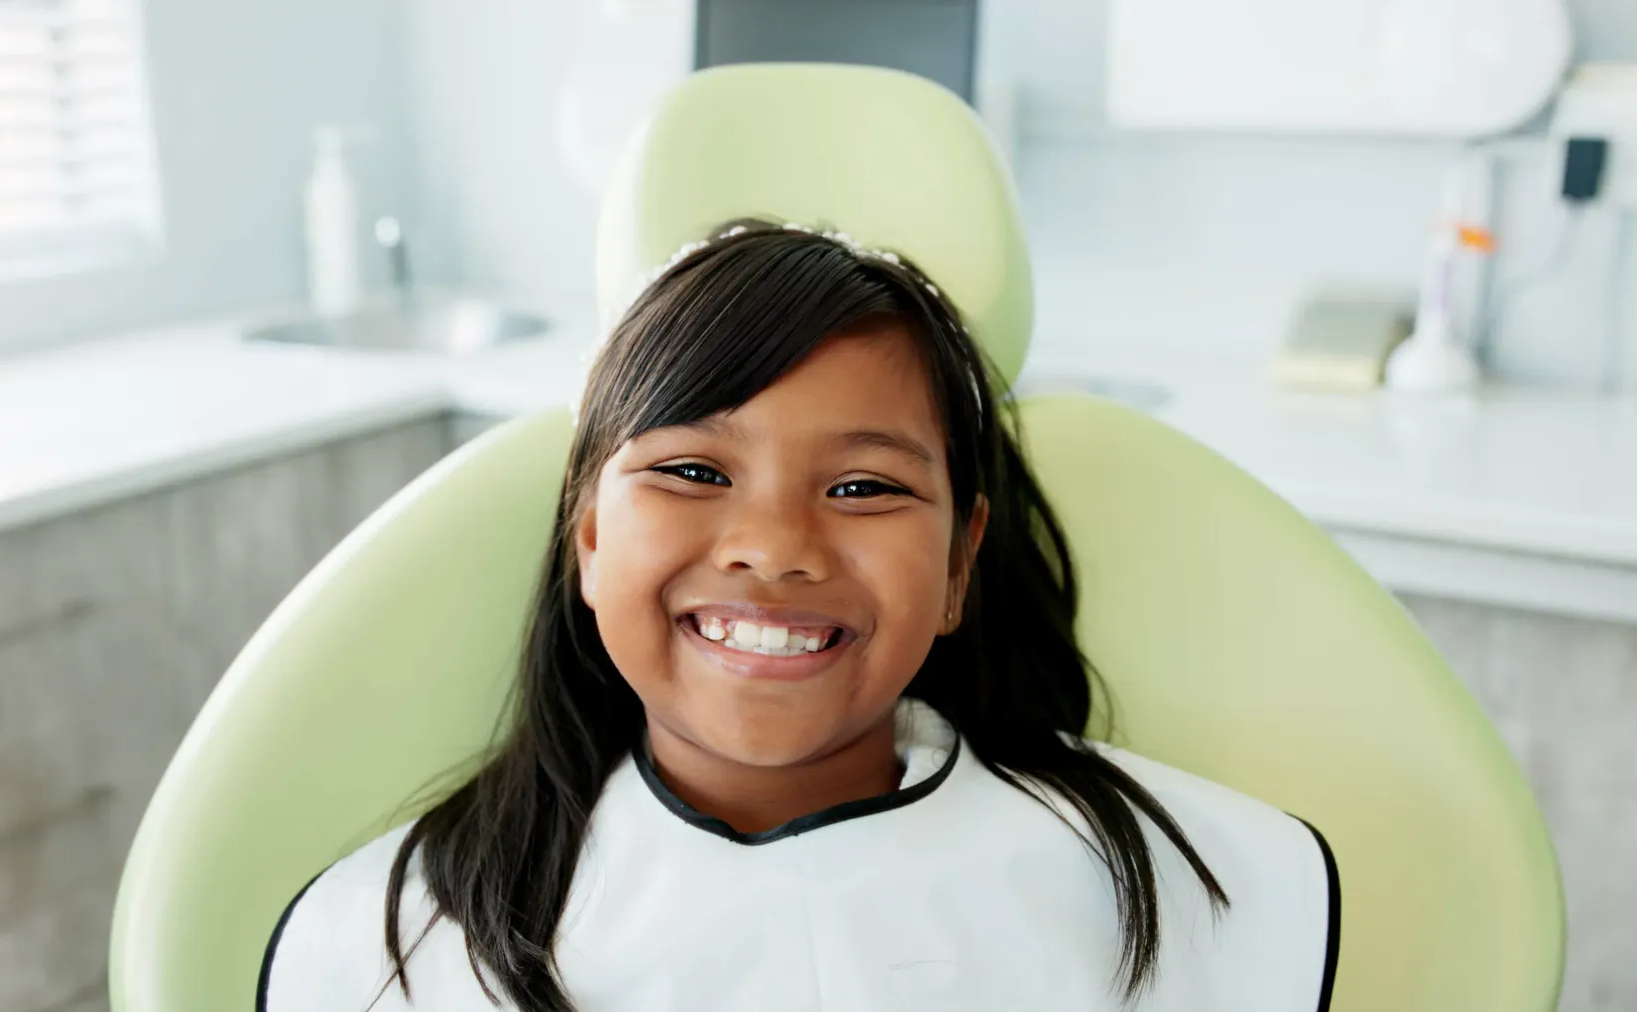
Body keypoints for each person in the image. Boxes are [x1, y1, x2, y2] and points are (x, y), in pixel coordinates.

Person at [259, 221, 1338, 1012]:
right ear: (588, 538)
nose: (773, 547)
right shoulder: (399, 943)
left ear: (961, 564)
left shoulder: (1188, 878)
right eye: (691, 469)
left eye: (864, 488)